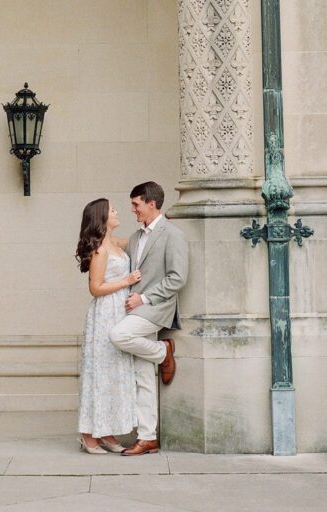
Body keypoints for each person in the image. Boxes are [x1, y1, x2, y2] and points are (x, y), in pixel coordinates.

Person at [108, 180, 189, 456]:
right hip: (136, 309)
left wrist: (143, 298)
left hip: (157, 308)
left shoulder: (173, 234)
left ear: (151, 204)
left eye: (136, 204)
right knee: (143, 376)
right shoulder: (134, 237)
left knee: (118, 336)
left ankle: (163, 351)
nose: (133, 210)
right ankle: (148, 437)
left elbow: (177, 278)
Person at [74, 197, 141, 454]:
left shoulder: (115, 242)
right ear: (102, 217)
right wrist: (126, 281)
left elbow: (140, 241)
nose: (116, 212)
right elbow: (95, 287)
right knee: (99, 373)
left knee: (114, 373)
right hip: (105, 313)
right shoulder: (100, 249)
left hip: (119, 311)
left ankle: (107, 431)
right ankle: (89, 435)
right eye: (112, 209)